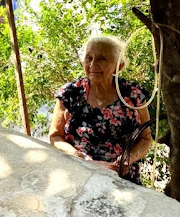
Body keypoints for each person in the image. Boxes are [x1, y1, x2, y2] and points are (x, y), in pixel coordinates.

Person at [49, 35, 152, 184]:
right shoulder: (70, 94)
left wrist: (128, 159)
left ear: (119, 66)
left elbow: (145, 139)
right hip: (79, 174)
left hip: (123, 179)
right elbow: (55, 137)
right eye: (89, 57)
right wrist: (77, 156)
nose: (93, 64)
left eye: (102, 58)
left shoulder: (133, 95)